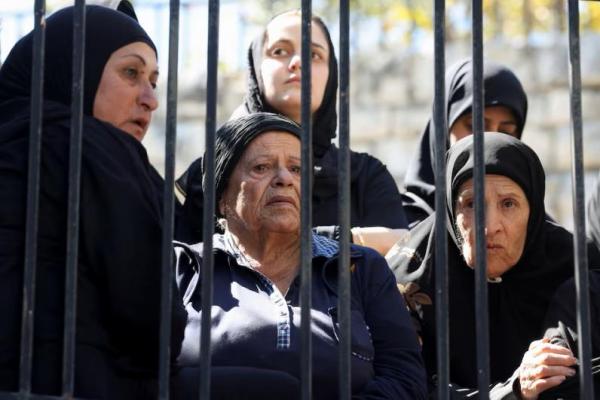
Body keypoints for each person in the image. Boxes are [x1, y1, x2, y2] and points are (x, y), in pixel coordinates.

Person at [171, 112, 427, 400]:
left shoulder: (361, 268)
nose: (284, 179)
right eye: (262, 167)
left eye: (296, 169)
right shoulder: (183, 268)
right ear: (221, 196)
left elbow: (406, 381)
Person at [0, 3, 185, 398]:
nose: (150, 99)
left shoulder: (15, 140)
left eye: (154, 80)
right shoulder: (92, 146)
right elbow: (154, 324)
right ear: (75, 68)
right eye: (131, 73)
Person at [391, 133, 600, 399]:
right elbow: (404, 388)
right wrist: (512, 392)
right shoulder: (408, 275)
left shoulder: (575, 267)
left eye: (508, 204)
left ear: (533, 211)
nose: (489, 227)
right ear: (449, 210)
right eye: (471, 204)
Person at [175, 10, 408, 243]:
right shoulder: (216, 170)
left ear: (331, 75)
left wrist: (320, 243)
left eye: (314, 55)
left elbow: (402, 255)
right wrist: (354, 244)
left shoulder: (364, 177)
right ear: (257, 67)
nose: (297, 63)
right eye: (280, 51)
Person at [402, 59, 528, 227]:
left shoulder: (537, 232)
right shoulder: (398, 227)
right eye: (476, 126)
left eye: (506, 132)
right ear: (444, 127)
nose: (491, 141)